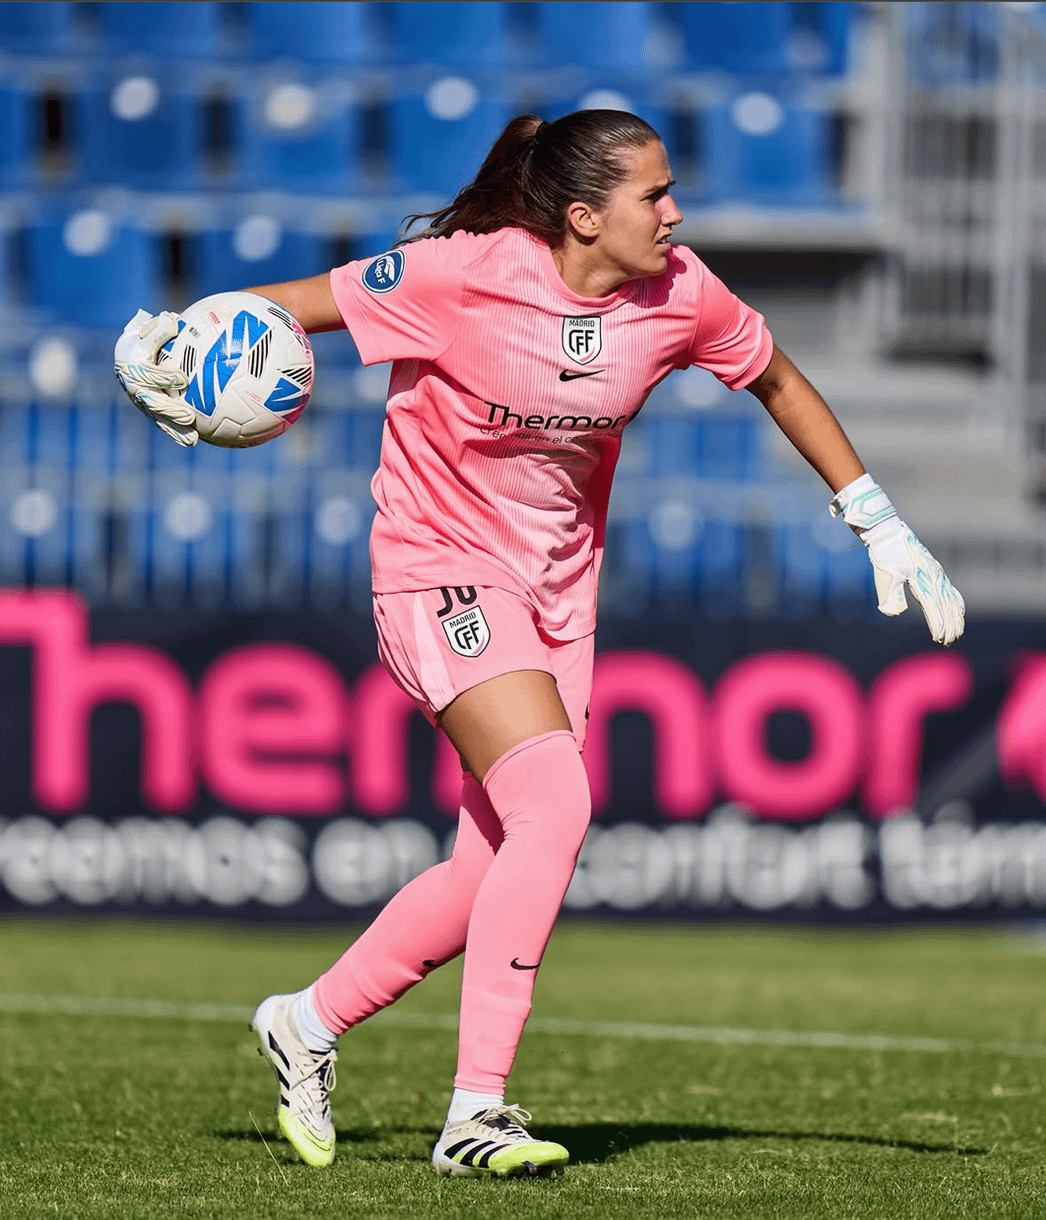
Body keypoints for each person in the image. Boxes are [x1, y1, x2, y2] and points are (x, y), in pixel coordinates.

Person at [113, 110, 965, 1178]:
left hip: (557, 597)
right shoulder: (460, 274)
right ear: (582, 216)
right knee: (556, 806)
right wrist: (180, 342)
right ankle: (475, 1112)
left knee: (489, 869)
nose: (675, 212)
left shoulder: (680, 295)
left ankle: (306, 1019)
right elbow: (287, 308)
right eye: (653, 195)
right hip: (435, 568)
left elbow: (778, 381)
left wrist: (876, 521)